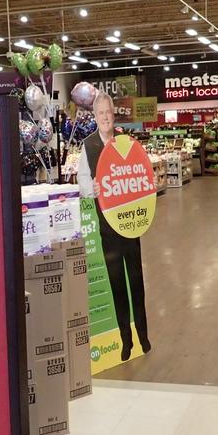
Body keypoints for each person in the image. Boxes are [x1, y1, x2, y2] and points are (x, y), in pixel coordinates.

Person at [76, 93, 151, 361]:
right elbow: (82, 182)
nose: (105, 117)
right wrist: (92, 188)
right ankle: (126, 340)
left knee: (137, 281)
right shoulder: (88, 146)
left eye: (108, 112)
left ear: (113, 114)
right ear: (95, 117)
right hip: (108, 228)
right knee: (117, 284)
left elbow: (140, 172)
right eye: (101, 114)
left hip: (130, 224)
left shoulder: (125, 142)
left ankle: (143, 336)